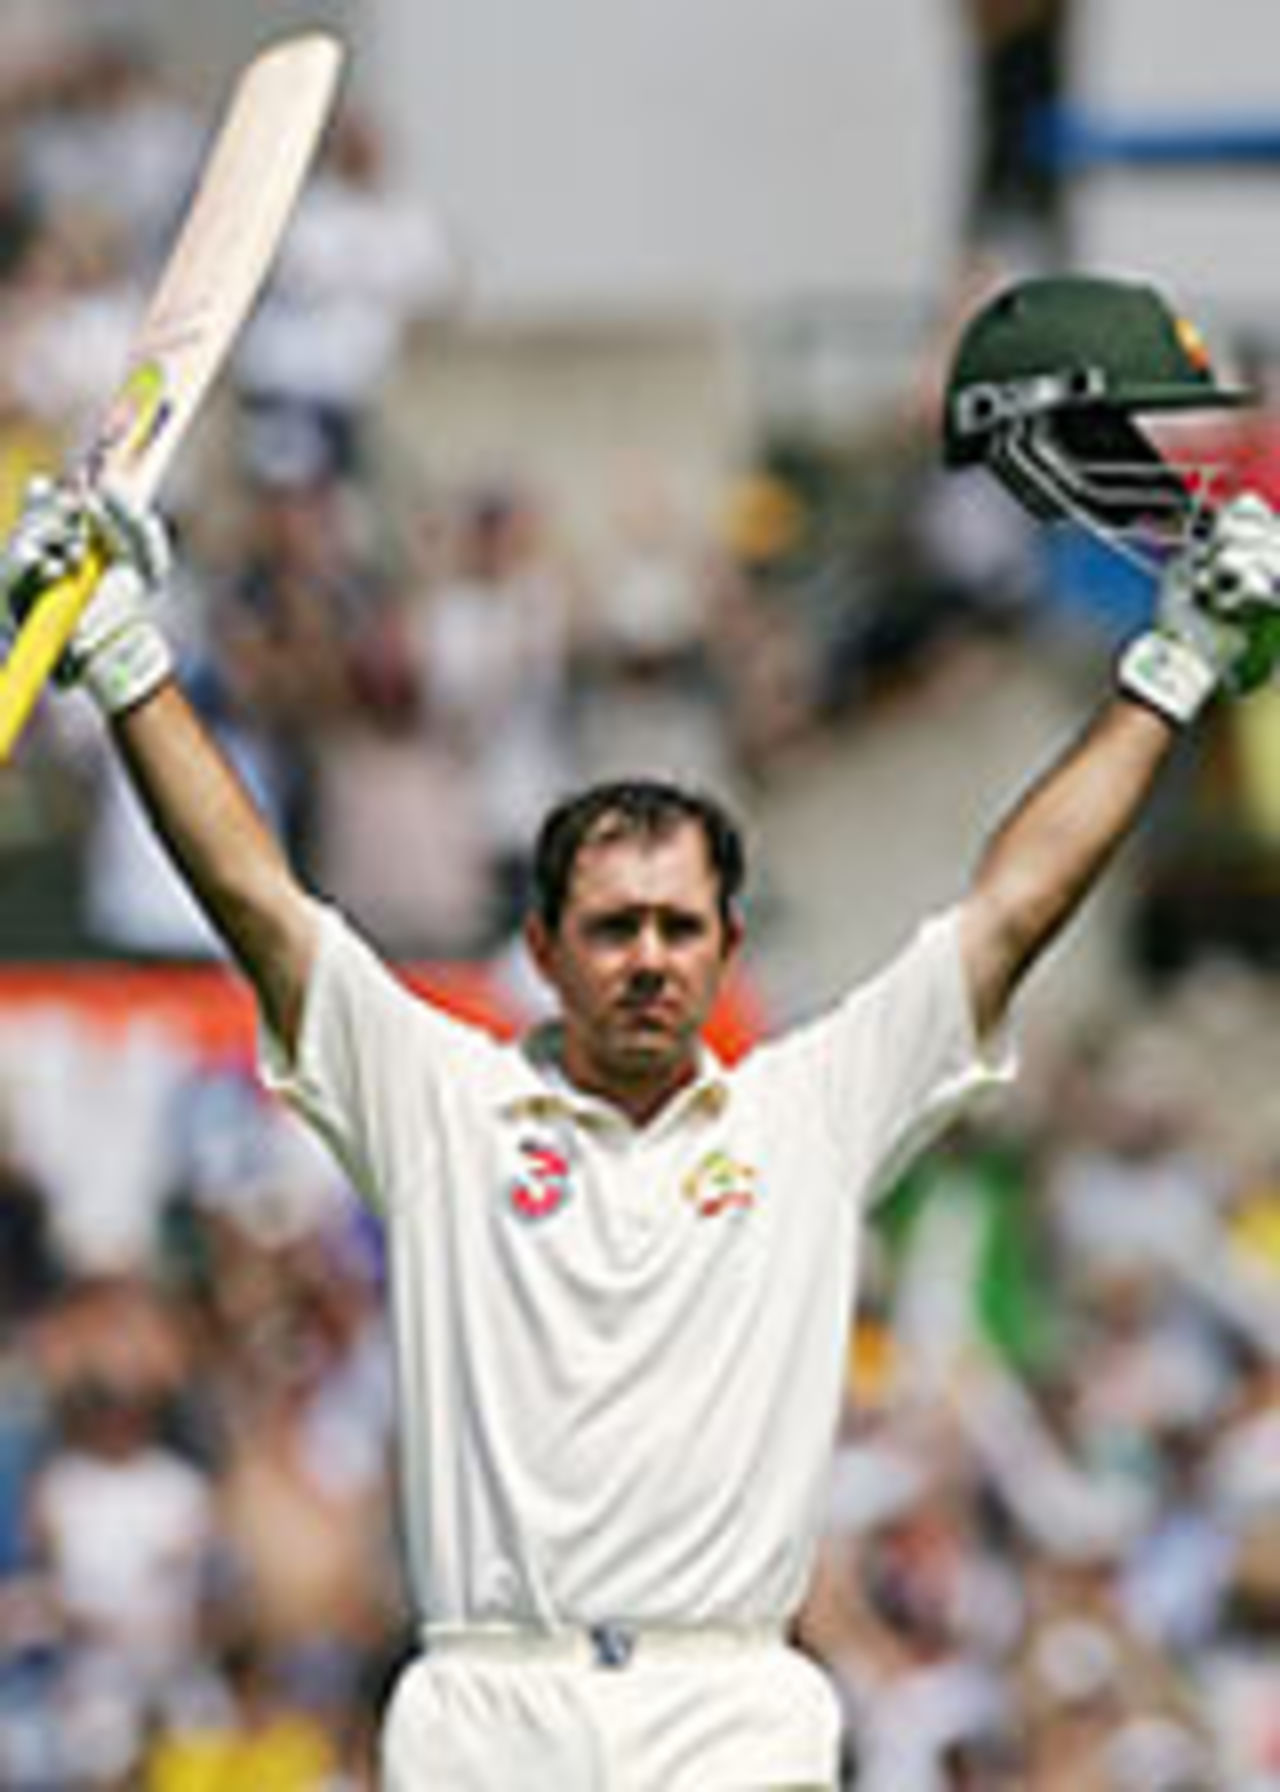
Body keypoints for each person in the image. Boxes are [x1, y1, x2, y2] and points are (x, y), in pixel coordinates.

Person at [4, 272, 1280, 1791]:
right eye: (613, 930)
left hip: (725, 1707)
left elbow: (1012, 909)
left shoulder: (805, 1115)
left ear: (729, 944)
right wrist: (134, 661)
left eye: (681, 930)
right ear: (543, 948)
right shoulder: (440, 1100)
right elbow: (262, 907)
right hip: (493, 1704)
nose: (651, 964)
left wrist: (1179, 662)